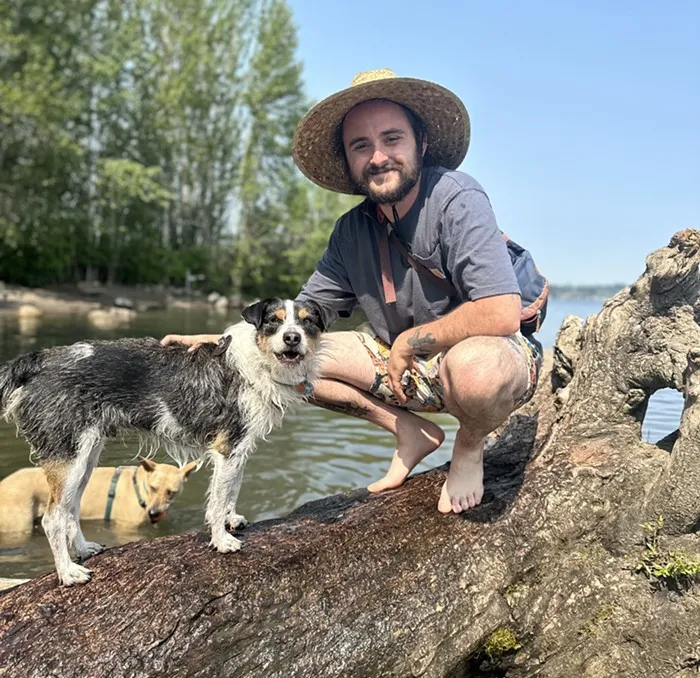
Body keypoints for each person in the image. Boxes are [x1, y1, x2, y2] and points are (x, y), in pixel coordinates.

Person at [163, 68, 543, 515]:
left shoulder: (457, 197)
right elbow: (302, 316)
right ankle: (407, 430)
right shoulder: (350, 230)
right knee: (287, 359)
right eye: (360, 146)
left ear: (420, 143)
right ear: (348, 161)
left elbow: (500, 313)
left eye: (391, 139)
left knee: (478, 370)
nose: (378, 156)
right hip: (398, 364)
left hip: (484, 354)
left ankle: (470, 445)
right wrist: (224, 342)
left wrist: (409, 340)